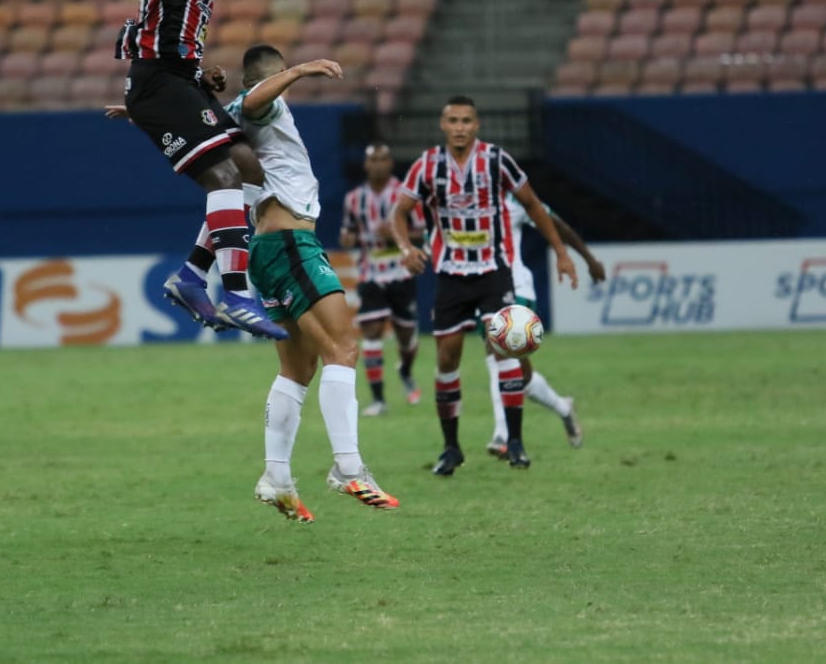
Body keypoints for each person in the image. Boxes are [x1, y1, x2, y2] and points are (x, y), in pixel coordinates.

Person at [114, 0, 284, 341]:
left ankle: (191, 276)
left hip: (178, 77)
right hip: (157, 81)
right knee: (224, 176)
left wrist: (198, 71)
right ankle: (237, 296)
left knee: (247, 167)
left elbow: (167, 18)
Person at [231, 46, 400, 522]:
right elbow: (254, 101)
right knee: (343, 348)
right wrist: (302, 70)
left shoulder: (231, 116)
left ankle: (276, 477)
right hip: (290, 244)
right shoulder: (262, 106)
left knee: (297, 369)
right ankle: (348, 467)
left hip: (268, 248)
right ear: (276, 76)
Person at [389, 97, 578, 474]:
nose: (460, 127)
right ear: (443, 125)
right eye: (453, 121)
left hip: (493, 272)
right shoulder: (427, 165)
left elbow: (533, 204)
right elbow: (399, 212)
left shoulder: (497, 160)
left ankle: (515, 443)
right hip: (450, 275)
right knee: (447, 359)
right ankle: (451, 448)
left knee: (505, 349)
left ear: (477, 125)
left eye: (466, 121)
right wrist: (406, 247)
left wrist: (561, 252)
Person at [480, 193, 606, 457]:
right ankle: (563, 407)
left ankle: (502, 434)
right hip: (483, 289)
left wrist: (588, 259)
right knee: (519, 374)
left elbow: (557, 225)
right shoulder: (465, 199)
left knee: (499, 351)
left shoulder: (514, 198)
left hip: (517, 286)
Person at [339, 143, 425, 415]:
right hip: (371, 272)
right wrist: (347, 239)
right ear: (366, 165)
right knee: (372, 330)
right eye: (373, 160)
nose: (377, 164)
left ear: (390, 163)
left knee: (406, 336)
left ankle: (406, 370)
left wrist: (398, 235)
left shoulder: (406, 195)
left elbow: (423, 232)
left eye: (382, 159)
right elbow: (348, 233)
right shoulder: (354, 199)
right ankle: (378, 400)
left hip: (401, 271)